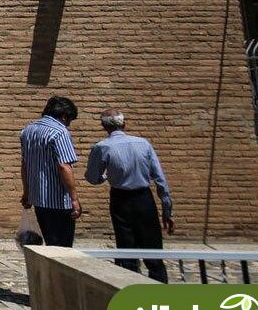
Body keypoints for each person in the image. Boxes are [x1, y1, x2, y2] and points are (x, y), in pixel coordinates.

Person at [85, 108, 174, 282]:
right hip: (144, 198)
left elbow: (93, 178)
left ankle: (130, 288)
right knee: (153, 248)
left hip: (120, 200)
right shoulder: (143, 144)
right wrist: (167, 209)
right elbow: (160, 178)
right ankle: (160, 288)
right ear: (124, 124)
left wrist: (107, 175)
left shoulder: (102, 147)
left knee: (126, 247)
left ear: (104, 127)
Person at [20, 96, 81, 246]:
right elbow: (64, 166)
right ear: (64, 116)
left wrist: (27, 193)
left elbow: (25, 164)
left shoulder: (28, 131)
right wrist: (74, 199)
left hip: (38, 199)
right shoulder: (60, 132)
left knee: (50, 242)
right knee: (63, 247)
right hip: (59, 201)